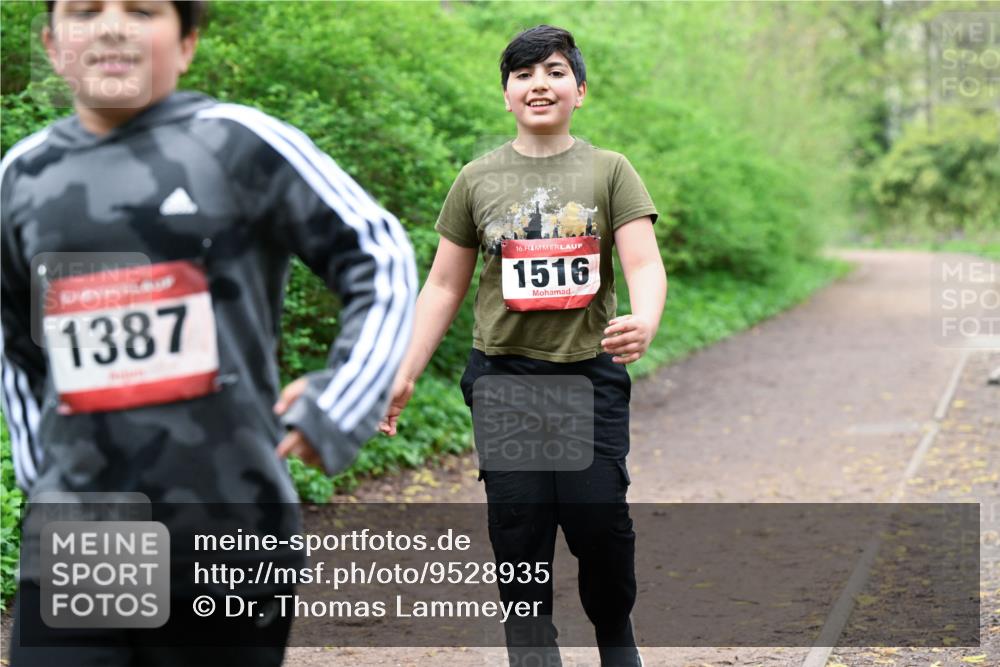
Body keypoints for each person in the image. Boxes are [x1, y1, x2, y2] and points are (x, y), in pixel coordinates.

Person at [1, 1, 416, 665]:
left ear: (188, 41)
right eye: (85, 10)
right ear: (53, 44)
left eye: (141, 10)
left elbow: (378, 251)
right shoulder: (19, 178)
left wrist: (342, 398)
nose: (112, 26)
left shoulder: (239, 142)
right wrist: (41, 474)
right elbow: (16, 352)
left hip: (228, 524)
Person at [380, 24, 666, 667]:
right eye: (524, 74)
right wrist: (405, 372)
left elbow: (644, 264)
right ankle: (533, 653)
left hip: (588, 378)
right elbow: (444, 284)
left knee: (599, 525)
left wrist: (645, 319)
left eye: (556, 71)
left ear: (580, 89)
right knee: (519, 528)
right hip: (504, 380)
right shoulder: (478, 179)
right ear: (506, 94)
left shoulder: (610, 171)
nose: (540, 84)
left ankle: (616, 640)